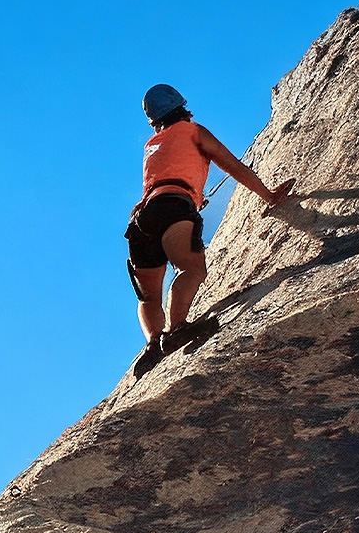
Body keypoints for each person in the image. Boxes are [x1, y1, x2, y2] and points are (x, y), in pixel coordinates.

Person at [126, 83, 295, 357]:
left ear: (154, 121)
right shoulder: (194, 131)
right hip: (174, 207)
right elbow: (233, 166)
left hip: (141, 219)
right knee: (191, 270)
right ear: (183, 108)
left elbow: (166, 178)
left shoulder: (152, 145)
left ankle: (152, 344)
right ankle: (177, 328)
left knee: (148, 295)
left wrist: (193, 194)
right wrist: (269, 195)